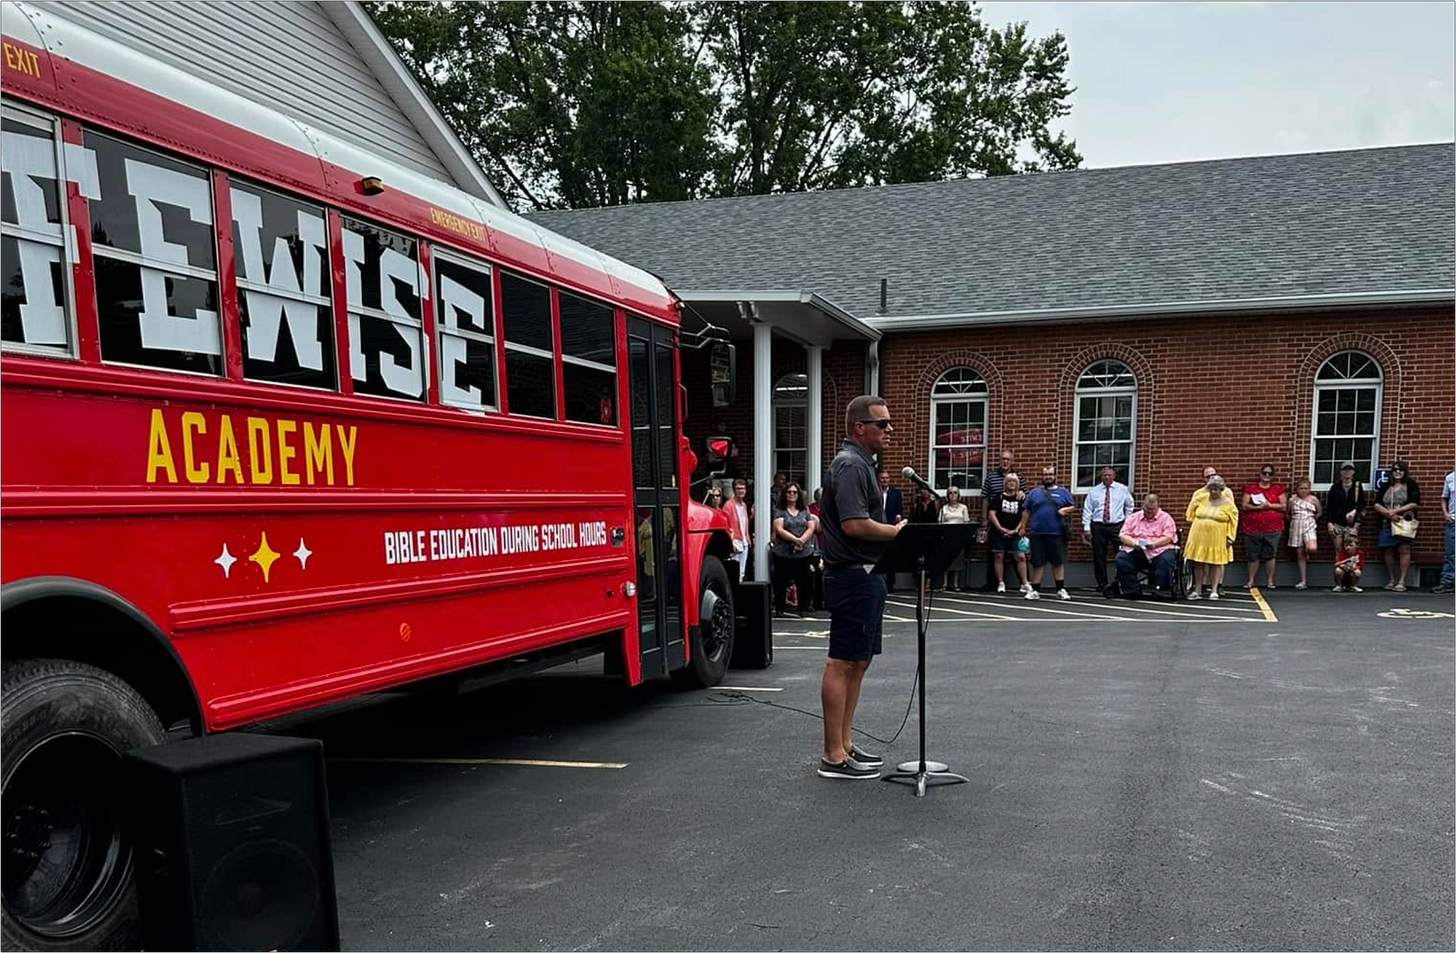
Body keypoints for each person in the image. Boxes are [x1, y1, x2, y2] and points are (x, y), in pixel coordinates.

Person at [817, 396, 906, 780]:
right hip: (852, 574)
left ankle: (846, 743)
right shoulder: (851, 464)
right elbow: (854, 524)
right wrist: (896, 532)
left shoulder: (861, 464)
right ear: (859, 428)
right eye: (882, 424)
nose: (890, 429)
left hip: (866, 574)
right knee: (842, 661)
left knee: (859, 661)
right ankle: (833, 756)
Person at [1023, 466, 1076, 600]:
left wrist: (1065, 510)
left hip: (1057, 532)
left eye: (1050, 474)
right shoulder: (1034, 493)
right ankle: (1035, 590)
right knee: (1037, 562)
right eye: (1046, 474)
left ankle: (1060, 589)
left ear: (1055, 476)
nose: (1048, 477)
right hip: (1037, 533)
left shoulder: (1063, 492)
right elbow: (1026, 510)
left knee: (1058, 562)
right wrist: (1022, 526)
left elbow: (1073, 506)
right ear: (1042, 476)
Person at [1114, 494, 1179, 599]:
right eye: (1147, 509)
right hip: (1137, 549)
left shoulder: (1166, 518)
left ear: (1158, 507)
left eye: (1152, 509)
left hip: (1159, 549)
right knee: (1121, 559)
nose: (1149, 511)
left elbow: (1168, 536)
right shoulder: (1133, 517)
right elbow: (1123, 534)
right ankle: (1131, 590)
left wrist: (1154, 544)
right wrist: (1133, 544)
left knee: (1166, 560)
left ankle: (1160, 589)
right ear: (1143, 505)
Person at [1082, 465, 1135, 595]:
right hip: (1099, 526)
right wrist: (1087, 528)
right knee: (1099, 556)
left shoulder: (1122, 489)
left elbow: (1130, 505)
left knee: (1122, 554)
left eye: (1109, 475)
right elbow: (1087, 510)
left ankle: (1119, 582)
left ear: (1114, 476)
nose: (1107, 477)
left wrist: (1126, 522)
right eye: (1105, 475)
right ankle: (1102, 584)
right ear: (1101, 476)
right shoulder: (1094, 491)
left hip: (1117, 526)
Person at [1185, 476, 1239, 599]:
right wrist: (1194, 504)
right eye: (1211, 489)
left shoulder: (1229, 504)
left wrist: (1230, 537)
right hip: (1199, 534)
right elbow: (1189, 515)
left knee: (1215, 563)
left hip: (1217, 536)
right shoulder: (1200, 498)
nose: (1213, 492)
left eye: (1216, 489)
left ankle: (1214, 589)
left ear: (1221, 490)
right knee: (1198, 562)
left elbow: (1234, 522)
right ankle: (1197, 589)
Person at [771, 483, 817, 617]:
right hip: (783, 553)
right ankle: (780, 608)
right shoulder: (780, 510)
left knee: (804, 581)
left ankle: (803, 608)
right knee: (781, 582)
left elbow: (811, 526)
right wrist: (795, 540)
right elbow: (779, 529)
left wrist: (802, 540)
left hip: (803, 552)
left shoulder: (805, 510)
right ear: (785, 494)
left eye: (794, 492)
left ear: (799, 495)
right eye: (789, 492)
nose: (792, 494)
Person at [1374, 460, 1420, 592]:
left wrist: (1397, 511)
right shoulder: (1385, 485)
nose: (1397, 472)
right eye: (1395, 470)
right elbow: (1376, 504)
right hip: (1387, 522)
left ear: (1405, 472)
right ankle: (1391, 579)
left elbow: (1415, 503)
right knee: (1388, 549)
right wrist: (1389, 514)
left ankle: (1402, 581)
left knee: (1404, 549)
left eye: (1400, 470)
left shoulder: (1411, 484)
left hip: (1404, 522)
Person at [1241, 464, 1287, 589]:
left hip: (1273, 528)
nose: (1266, 476)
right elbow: (1244, 506)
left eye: (1270, 474)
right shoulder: (1251, 489)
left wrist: (1269, 505)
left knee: (1270, 555)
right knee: (1252, 555)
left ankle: (1270, 581)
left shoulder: (1278, 489)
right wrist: (1258, 508)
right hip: (1252, 528)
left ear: (1273, 476)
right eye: (1264, 473)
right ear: (1260, 474)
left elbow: (1283, 506)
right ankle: (1250, 581)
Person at [979, 450, 1017, 590]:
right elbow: (984, 497)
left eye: (1007, 459)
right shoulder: (991, 477)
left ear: (1011, 461)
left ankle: (1023, 582)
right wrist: (984, 519)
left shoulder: (1017, 477)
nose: (1005, 462)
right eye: (1003, 459)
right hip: (995, 519)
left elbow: (1024, 496)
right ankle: (992, 583)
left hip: (1013, 520)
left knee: (1017, 553)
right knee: (994, 553)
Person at [986, 473, 1030, 594]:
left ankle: (1025, 583)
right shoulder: (998, 497)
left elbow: (1025, 514)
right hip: (998, 532)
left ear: (1017, 484)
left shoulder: (1021, 498)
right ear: (1005, 483)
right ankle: (1000, 582)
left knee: (1020, 556)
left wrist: (1016, 530)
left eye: (1014, 481)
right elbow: (992, 514)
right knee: (999, 556)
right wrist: (1000, 528)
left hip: (1015, 532)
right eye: (1009, 481)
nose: (1011, 483)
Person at [1287, 479, 1322, 590]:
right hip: (1296, 525)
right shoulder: (1293, 500)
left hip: (1309, 525)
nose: (1304, 490)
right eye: (1301, 488)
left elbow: (1319, 512)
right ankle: (1303, 581)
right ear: (1297, 489)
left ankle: (1308, 553)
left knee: (1312, 548)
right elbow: (1287, 513)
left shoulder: (1313, 499)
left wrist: (1312, 519)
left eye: (1306, 488)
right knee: (1299, 554)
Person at [938, 486, 972, 590]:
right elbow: (940, 522)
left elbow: (966, 522)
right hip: (947, 536)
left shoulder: (963, 508)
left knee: (958, 560)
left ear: (958, 495)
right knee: (945, 560)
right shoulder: (943, 508)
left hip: (959, 536)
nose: (953, 495)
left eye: (955, 493)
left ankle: (956, 583)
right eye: (950, 493)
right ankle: (944, 583)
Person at [1325, 462, 1366, 549]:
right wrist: (1329, 523)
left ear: (1353, 472)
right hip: (1337, 522)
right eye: (1345, 469)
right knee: (1338, 548)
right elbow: (1330, 506)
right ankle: (1339, 563)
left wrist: (1354, 510)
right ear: (1341, 472)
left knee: (1350, 549)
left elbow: (1362, 504)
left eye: (1350, 469)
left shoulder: (1357, 486)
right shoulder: (1335, 487)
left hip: (1352, 523)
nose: (1347, 471)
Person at [723, 477, 752, 581]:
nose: (741, 491)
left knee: (742, 572)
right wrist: (730, 540)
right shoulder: (728, 505)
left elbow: (744, 524)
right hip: (735, 542)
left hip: (744, 542)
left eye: (743, 488)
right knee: (734, 571)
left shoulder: (744, 505)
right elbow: (726, 525)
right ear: (734, 490)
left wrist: (748, 538)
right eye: (738, 488)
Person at [807, 487, 826, 611]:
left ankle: (822, 600)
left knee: (823, 575)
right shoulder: (809, 510)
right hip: (812, 546)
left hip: (825, 546)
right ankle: (812, 602)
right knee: (812, 576)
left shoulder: (829, 510)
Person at [1438, 468, 1455, 595]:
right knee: (1450, 553)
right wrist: (1445, 514)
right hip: (1453, 520)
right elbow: (1444, 498)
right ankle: (1447, 581)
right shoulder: (1450, 478)